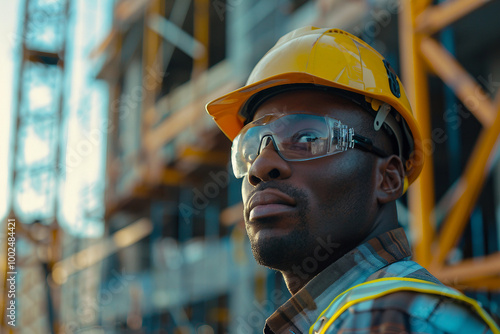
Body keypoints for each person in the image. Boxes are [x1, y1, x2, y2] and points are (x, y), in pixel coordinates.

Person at [206, 27, 499, 333]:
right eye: (251, 147)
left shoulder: (394, 320)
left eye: (307, 137)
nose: (260, 167)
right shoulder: (349, 320)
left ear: (387, 179)